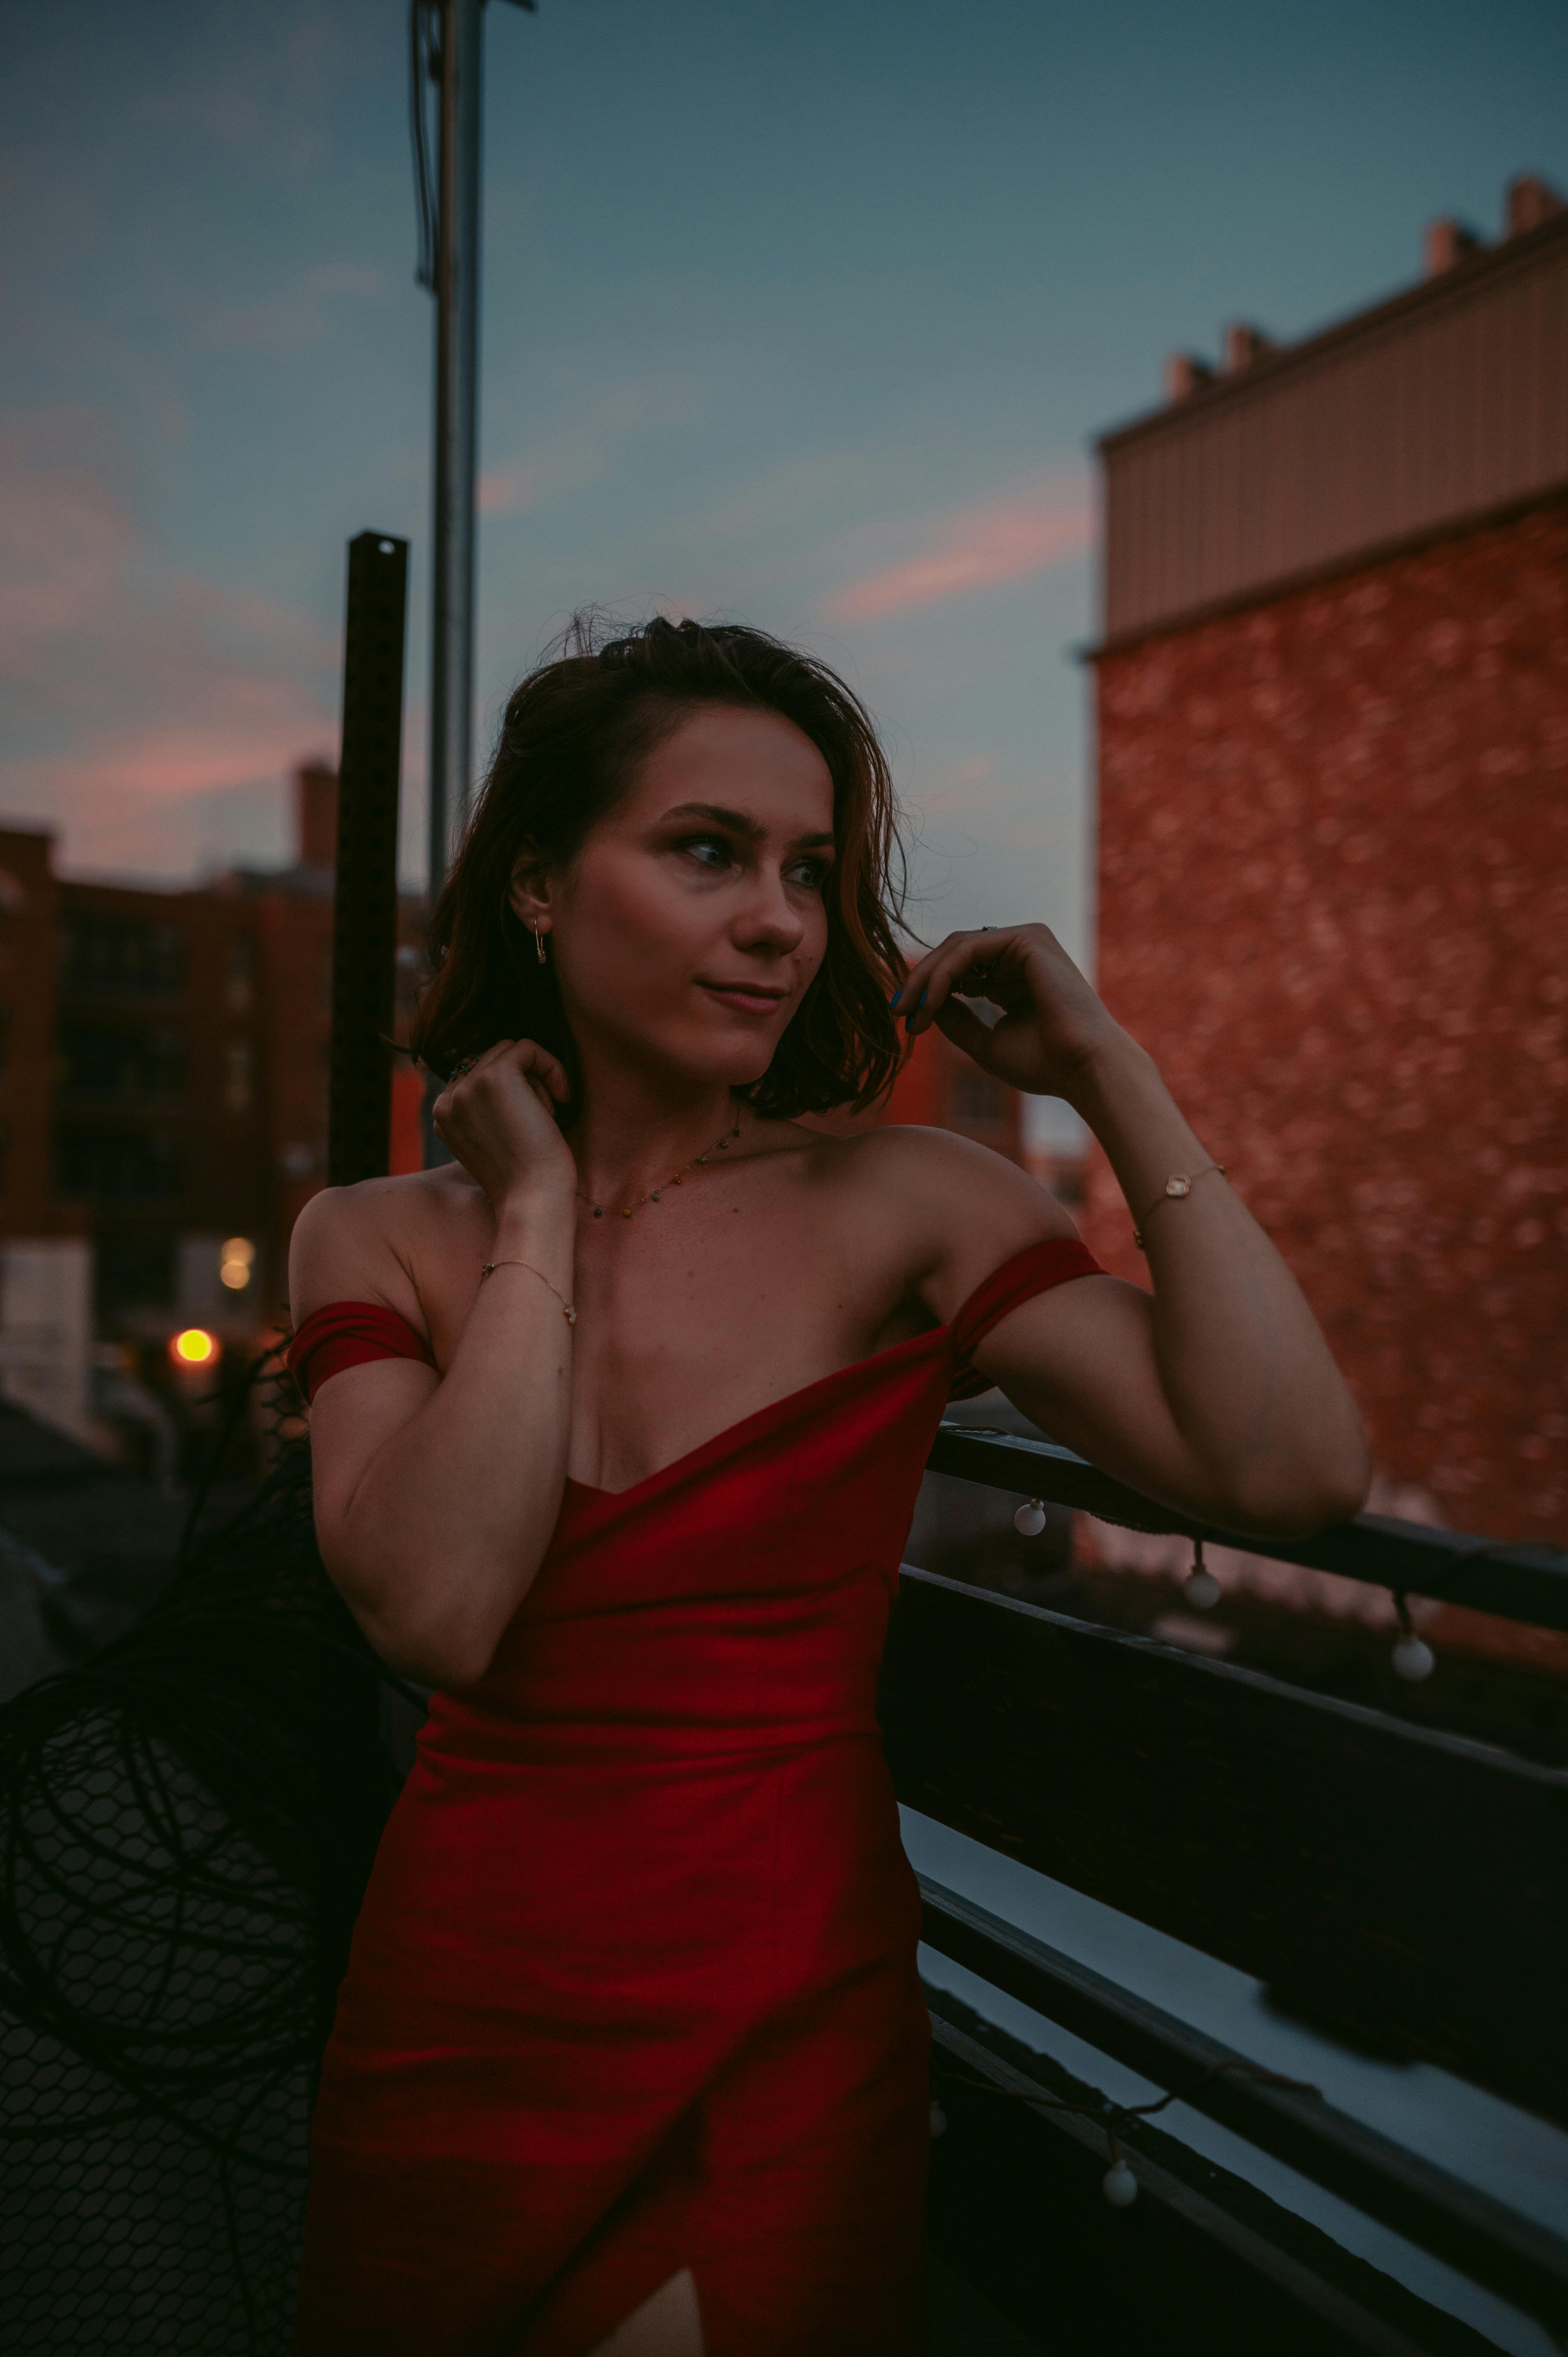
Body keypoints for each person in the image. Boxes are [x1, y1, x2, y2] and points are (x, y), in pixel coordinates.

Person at [285, 616, 1368, 2357]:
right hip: (460, 2008)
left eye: (810, 870)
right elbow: (440, 1605)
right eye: (709, 850)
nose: (782, 921)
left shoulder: (903, 1206)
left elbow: (1289, 1467)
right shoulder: (375, 1235)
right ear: (542, 885)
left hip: (773, 2010)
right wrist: (543, 1221)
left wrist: (1112, 1070)